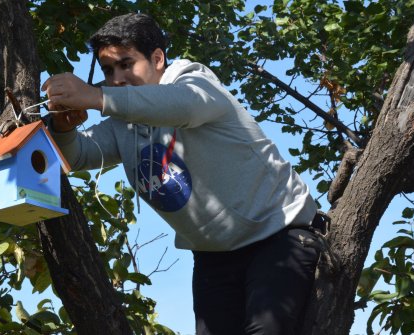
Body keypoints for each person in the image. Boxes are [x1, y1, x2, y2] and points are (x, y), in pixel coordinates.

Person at [41, 13, 320, 335]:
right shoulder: (123, 123)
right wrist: (63, 128)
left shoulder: (193, 82)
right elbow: (77, 155)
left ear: (158, 58)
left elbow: (184, 107)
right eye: (107, 71)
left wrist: (97, 97)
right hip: (214, 256)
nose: (116, 78)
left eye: (126, 64)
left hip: (279, 235)